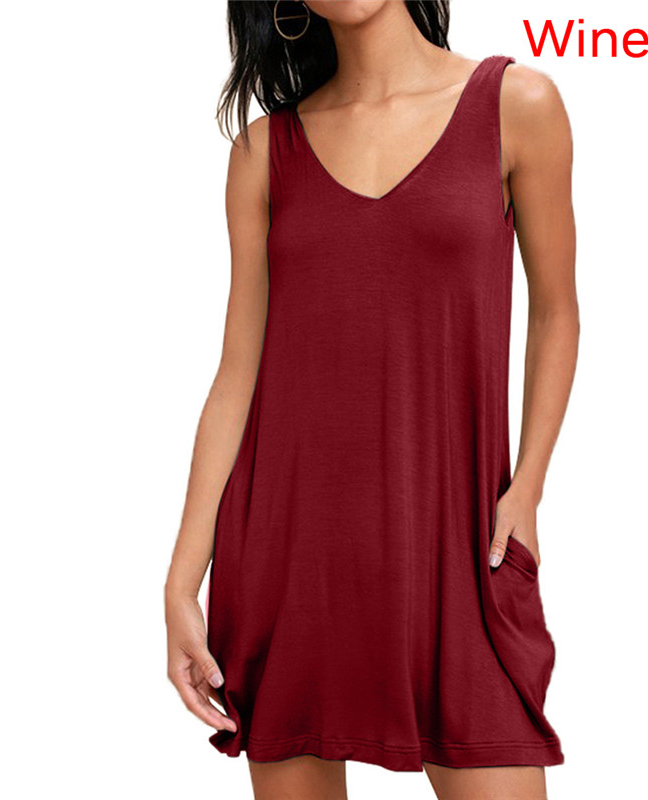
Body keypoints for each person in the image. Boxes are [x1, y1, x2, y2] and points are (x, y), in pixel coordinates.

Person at [165, 1, 578, 798]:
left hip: (455, 546)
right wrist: (183, 581)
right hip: (291, 556)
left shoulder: (517, 105)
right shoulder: (264, 151)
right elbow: (237, 373)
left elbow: (556, 311)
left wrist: (527, 487)